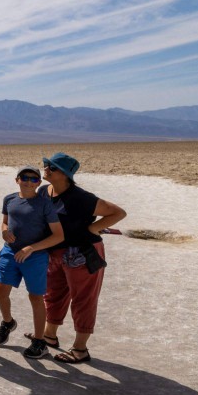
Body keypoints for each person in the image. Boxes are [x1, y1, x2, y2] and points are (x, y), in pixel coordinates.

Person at [36, 152, 127, 363]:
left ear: (65, 175)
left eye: (52, 167)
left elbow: (117, 212)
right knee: (53, 293)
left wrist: (93, 228)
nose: (46, 169)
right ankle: (49, 335)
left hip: (82, 254)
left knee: (83, 298)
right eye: (46, 164)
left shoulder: (81, 198)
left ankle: (80, 349)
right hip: (56, 253)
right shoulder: (43, 192)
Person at [0, 165, 64, 359]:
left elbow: (58, 235)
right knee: (0, 291)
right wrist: (4, 230)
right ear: (17, 179)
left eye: (34, 179)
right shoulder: (9, 199)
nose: (28, 181)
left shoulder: (44, 204)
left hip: (35, 257)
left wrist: (31, 248)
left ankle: (39, 341)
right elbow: (5, 221)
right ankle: (8, 322)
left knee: (35, 297)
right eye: (24, 177)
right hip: (10, 252)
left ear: (39, 183)